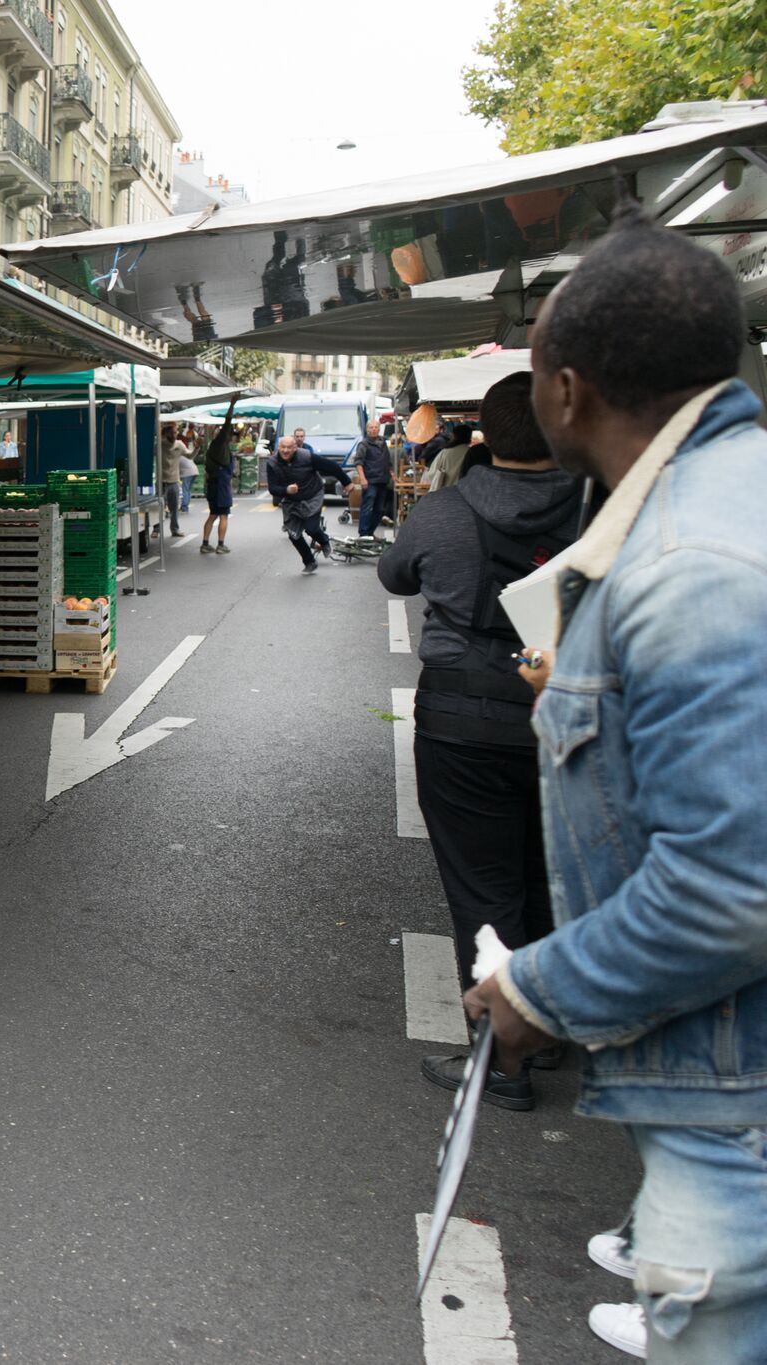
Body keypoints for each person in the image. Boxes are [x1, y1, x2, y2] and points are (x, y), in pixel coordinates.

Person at [463, 213, 767, 1364]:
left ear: (567, 391)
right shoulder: (711, 508)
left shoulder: (692, 565)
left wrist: (538, 989)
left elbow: (729, 885)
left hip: (734, 1117)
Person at [379, 372, 579, 1109]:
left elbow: (395, 575)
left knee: (485, 893)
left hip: (465, 725)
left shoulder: (448, 509)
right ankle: (546, 1027)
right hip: (568, 717)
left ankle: (504, 1062)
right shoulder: (600, 508)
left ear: (487, 434)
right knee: (546, 878)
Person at [266, 435, 348, 572]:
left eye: (289, 447)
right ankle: (309, 561)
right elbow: (272, 488)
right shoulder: (272, 463)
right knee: (293, 535)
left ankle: (324, 541)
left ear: (295, 448)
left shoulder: (307, 457)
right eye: (282, 447)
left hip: (312, 495)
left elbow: (332, 467)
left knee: (311, 528)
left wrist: (347, 482)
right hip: (291, 500)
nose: (285, 450)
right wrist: (286, 490)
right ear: (278, 448)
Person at [200, 400, 238, 554]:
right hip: (221, 485)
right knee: (224, 515)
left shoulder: (212, 448)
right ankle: (221, 545)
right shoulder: (220, 443)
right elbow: (227, 422)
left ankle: (205, 544)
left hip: (213, 483)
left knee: (213, 514)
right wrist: (232, 404)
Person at [353, 424, 396, 539]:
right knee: (367, 506)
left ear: (379, 429)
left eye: (376, 427)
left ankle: (370, 533)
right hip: (370, 480)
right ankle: (363, 534)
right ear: (366, 430)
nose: (373, 430)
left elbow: (388, 461)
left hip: (383, 480)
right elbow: (358, 462)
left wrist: (392, 473)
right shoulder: (363, 444)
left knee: (379, 509)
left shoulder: (382, 442)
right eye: (371, 428)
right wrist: (362, 478)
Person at [425, 422, 476, 490]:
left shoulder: (445, 452)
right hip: (465, 491)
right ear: (469, 437)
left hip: (445, 491)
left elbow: (432, 473)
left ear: (454, 436)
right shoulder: (472, 453)